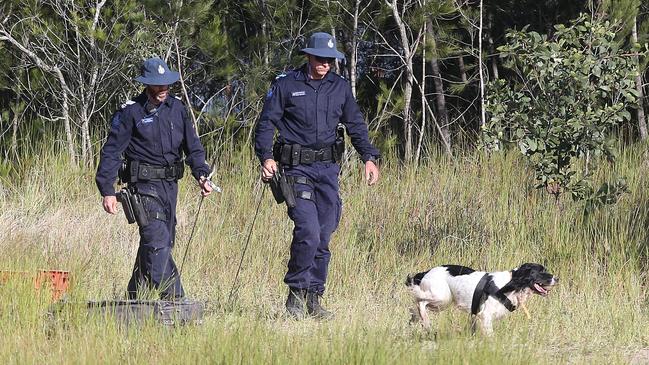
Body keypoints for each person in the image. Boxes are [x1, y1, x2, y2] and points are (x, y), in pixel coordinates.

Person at [254, 32, 380, 319]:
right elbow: (265, 124)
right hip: (295, 169)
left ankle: (314, 298)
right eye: (320, 59)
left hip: (327, 170)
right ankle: (295, 296)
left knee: (323, 235)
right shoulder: (286, 85)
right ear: (308, 56)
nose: (325, 64)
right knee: (308, 230)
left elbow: (355, 124)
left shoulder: (339, 87)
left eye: (330, 60)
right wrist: (266, 157)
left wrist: (369, 158)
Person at [96, 57, 213, 300]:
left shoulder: (178, 109)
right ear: (147, 85)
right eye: (158, 85)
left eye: (166, 85)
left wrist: (202, 174)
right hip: (143, 188)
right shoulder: (130, 112)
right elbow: (112, 151)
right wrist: (107, 189)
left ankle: (133, 299)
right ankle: (175, 301)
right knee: (157, 240)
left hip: (169, 187)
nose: (163, 90)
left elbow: (193, 148)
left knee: (161, 243)